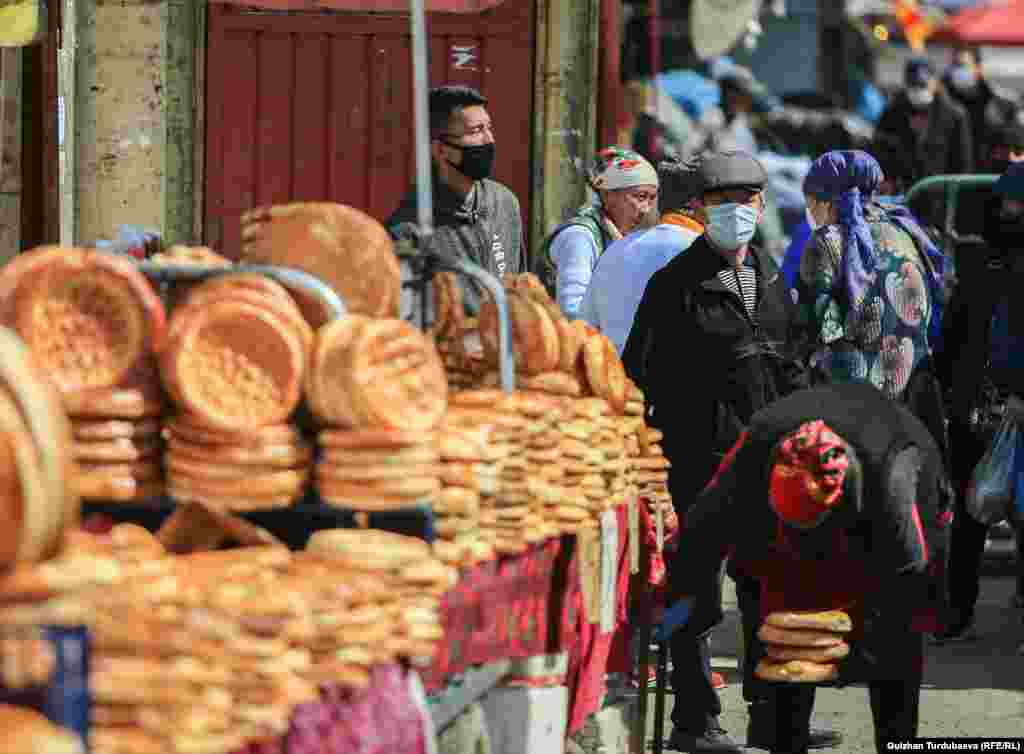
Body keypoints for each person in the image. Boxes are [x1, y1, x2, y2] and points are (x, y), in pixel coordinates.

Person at [623, 151, 816, 754]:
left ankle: (773, 717)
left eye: (747, 201)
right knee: (697, 596)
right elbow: (637, 373)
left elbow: (793, 363)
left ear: (762, 206)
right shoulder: (674, 284)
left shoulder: (772, 279)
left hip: (767, 461)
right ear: (702, 209)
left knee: (769, 590)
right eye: (721, 202)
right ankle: (695, 720)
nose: (736, 212)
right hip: (699, 463)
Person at [662, 382, 952, 754]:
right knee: (785, 638)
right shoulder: (756, 449)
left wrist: (856, 647)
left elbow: (912, 588)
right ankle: (779, 730)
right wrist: (681, 614)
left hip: (888, 492)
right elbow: (698, 541)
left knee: (895, 655)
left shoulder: (895, 482)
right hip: (778, 551)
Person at [797, 150, 949, 448]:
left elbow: (810, 324)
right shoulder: (907, 232)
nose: (809, 211)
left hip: (850, 410)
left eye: (810, 202)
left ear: (826, 201)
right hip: (912, 402)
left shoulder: (827, 241)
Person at [935, 161, 1024, 644]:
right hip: (996, 412)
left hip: (975, 413)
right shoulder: (983, 274)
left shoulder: (978, 272)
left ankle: (957, 616)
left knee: (970, 520)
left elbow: (947, 347)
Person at [386, 85, 524, 312]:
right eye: (475, 131)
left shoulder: (505, 202)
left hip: (504, 344)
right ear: (440, 150)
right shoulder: (408, 231)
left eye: (488, 128)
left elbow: (518, 288)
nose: (488, 139)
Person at [578, 155, 704, 354]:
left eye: (650, 198)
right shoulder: (707, 255)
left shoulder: (615, 251)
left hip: (617, 379)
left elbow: (584, 328)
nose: (644, 208)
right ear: (700, 205)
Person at [535, 147, 658, 318]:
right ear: (607, 196)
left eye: (652, 198)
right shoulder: (580, 237)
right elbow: (572, 311)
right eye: (640, 196)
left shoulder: (624, 238)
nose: (646, 209)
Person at [872, 57, 973, 197]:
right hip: (901, 197)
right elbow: (879, 150)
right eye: (914, 85)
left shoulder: (954, 115)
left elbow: (963, 164)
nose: (918, 90)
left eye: (923, 85)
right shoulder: (892, 112)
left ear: (934, 82)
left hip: (939, 198)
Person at [942, 45, 1021, 165]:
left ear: (978, 68)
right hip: (954, 178)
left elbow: (1015, 145)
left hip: (989, 175)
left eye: (962, 66)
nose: (957, 71)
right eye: (954, 65)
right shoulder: (942, 103)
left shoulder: (1003, 105)